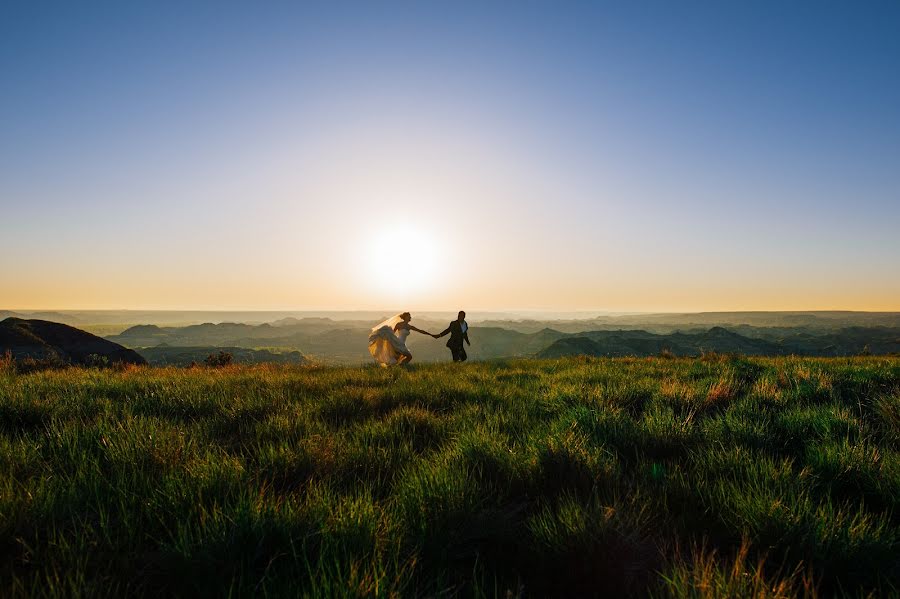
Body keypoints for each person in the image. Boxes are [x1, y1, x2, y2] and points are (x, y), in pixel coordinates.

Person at [368, 312, 434, 366]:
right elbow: (392, 333)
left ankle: (398, 367)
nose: (410, 317)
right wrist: (389, 339)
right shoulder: (399, 324)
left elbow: (420, 331)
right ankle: (400, 367)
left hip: (402, 343)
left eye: (410, 316)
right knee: (409, 357)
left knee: (399, 358)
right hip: (398, 342)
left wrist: (431, 334)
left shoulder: (409, 326)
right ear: (405, 317)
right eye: (409, 316)